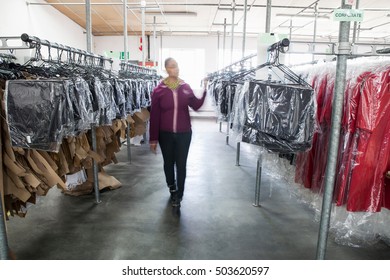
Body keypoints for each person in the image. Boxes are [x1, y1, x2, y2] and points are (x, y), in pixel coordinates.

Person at [149, 57, 207, 207]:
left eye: (177, 66)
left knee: (181, 164)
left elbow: (196, 106)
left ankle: (179, 195)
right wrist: (153, 139)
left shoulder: (185, 87)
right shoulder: (159, 90)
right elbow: (154, 116)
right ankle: (172, 187)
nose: (176, 69)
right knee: (168, 163)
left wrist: (205, 89)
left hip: (184, 134)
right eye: (172, 66)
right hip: (165, 134)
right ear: (166, 69)